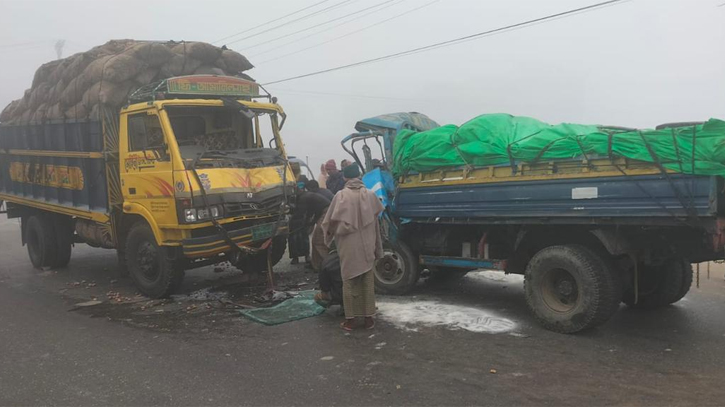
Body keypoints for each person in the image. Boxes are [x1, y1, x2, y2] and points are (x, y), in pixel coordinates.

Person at [322, 163, 384, 331]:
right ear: (359, 176)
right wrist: (378, 248)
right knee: (367, 281)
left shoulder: (341, 196)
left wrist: (329, 238)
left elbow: (329, 222)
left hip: (348, 246)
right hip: (368, 243)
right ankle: (369, 318)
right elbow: (377, 223)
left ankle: (350, 320)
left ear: (345, 177)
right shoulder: (371, 195)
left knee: (349, 281)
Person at [295, 186, 331, 271]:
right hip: (326, 212)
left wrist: (297, 224)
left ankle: (327, 266)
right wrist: (310, 223)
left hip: (327, 213)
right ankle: (317, 265)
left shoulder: (303, 198)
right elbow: (312, 212)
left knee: (318, 241)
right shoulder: (308, 196)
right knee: (315, 240)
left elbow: (300, 214)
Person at [288, 176, 310, 265]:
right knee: (294, 239)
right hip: (294, 218)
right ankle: (295, 257)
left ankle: (306, 255)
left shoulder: (305, 195)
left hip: (302, 218)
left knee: (303, 238)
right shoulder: (291, 194)